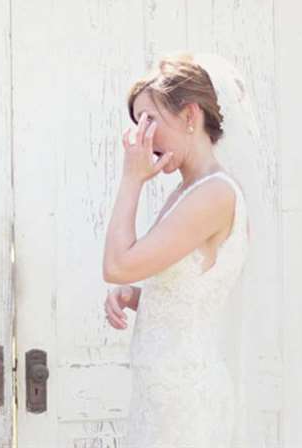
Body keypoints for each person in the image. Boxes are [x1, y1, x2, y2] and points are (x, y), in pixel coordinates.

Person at [103, 53, 251, 447]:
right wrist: (134, 295)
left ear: (189, 116)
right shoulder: (188, 191)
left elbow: (117, 264)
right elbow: (186, 291)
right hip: (163, 395)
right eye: (137, 123)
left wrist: (131, 179)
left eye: (150, 120)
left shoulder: (214, 195)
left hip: (186, 403)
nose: (141, 137)